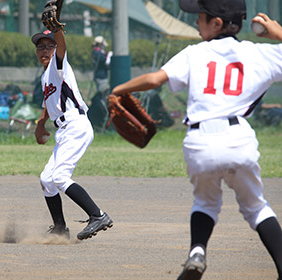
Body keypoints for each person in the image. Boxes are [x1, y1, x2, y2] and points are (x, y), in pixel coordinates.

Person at [111, 0, 282, 279]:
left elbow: (155, 79)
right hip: (239, 139)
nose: (196, 22)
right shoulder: (260, 54)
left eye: (200, 17)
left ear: (216, 24)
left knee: (205, 203)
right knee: (256, 207)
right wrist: (278, 34)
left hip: (199, 142)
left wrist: (119, 89)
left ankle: (197, 251)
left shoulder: (194, 53)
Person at [33, 29, 113, 240]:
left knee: (60, 177)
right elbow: (49, 104)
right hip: (64, 130)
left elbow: (62, 45)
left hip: (76, 125)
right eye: (40, 47)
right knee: (46, 179)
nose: (44, 51)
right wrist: (41, 124)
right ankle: (60, 227)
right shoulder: (45, 77)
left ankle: (98, 215)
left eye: (49, 46)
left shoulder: (58, 66)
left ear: (56, 49)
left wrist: (57, 29)